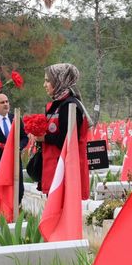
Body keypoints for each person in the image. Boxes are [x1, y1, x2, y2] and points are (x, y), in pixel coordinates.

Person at [30, 63, 89, 198]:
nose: (44, 85)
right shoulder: (57, 104)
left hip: (65, 172)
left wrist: (44, 138)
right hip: (55, 169)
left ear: (59, 81)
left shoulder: (70, 105)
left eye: (47, 81)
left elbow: (68, 140)